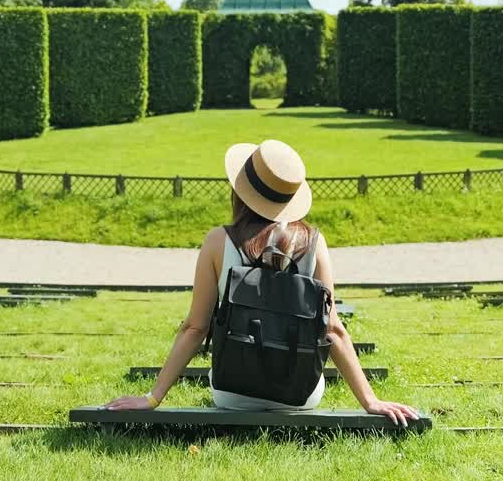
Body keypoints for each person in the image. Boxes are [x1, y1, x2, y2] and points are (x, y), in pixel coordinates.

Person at [106, 139, 420, 427]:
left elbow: (195, 328)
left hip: (232, 394)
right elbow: (333, 329)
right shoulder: (313, 242)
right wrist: (370, 400)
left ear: (240, 191)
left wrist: (152, 398)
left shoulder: (218, 241)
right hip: (301, 396)